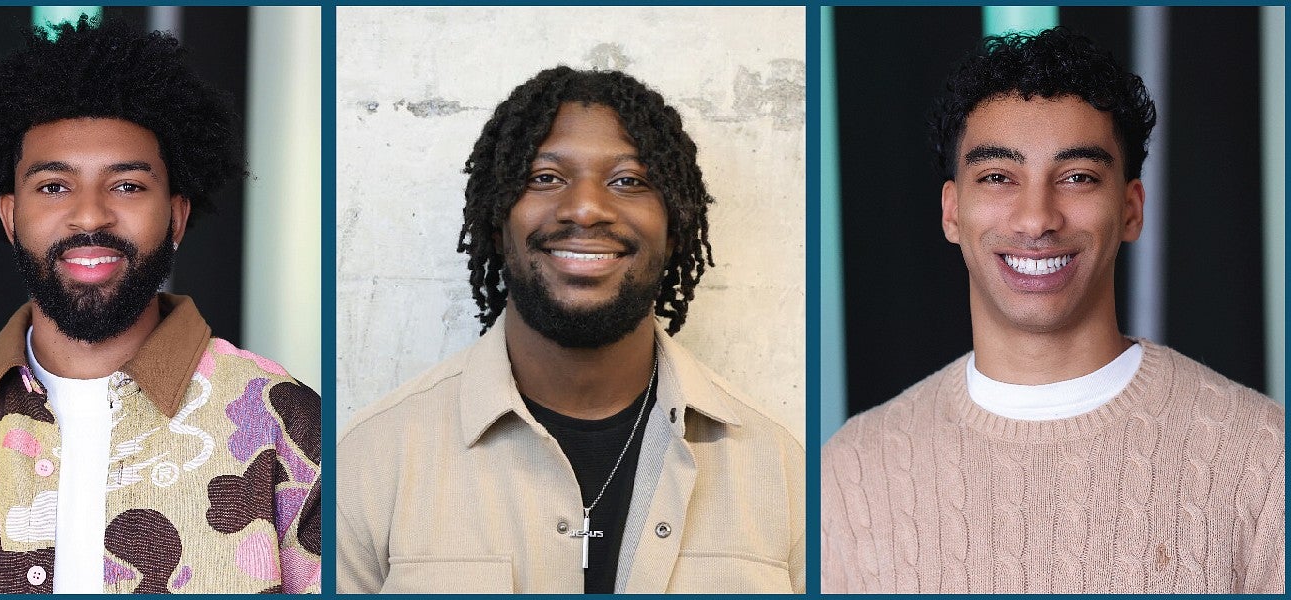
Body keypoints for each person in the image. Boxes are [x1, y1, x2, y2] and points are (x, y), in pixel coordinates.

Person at [0, 17, 320, 594]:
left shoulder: (287, 424)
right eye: (54, 186)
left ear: (175, 216)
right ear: (10, 216)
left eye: (127, 185)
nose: (91, 215)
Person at [820, 27, 1284, 594]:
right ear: (951, 211)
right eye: (997, 177)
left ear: (1132, 208)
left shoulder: (1261, 458)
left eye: (1077, 178)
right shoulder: (853, 471)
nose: (1036, 218)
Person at [336, 66, 805, 594]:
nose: (585, 208)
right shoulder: (370, 462)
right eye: (545, 178)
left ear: (675, 228)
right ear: (497, 219)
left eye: (628, 181)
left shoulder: (785, 472)